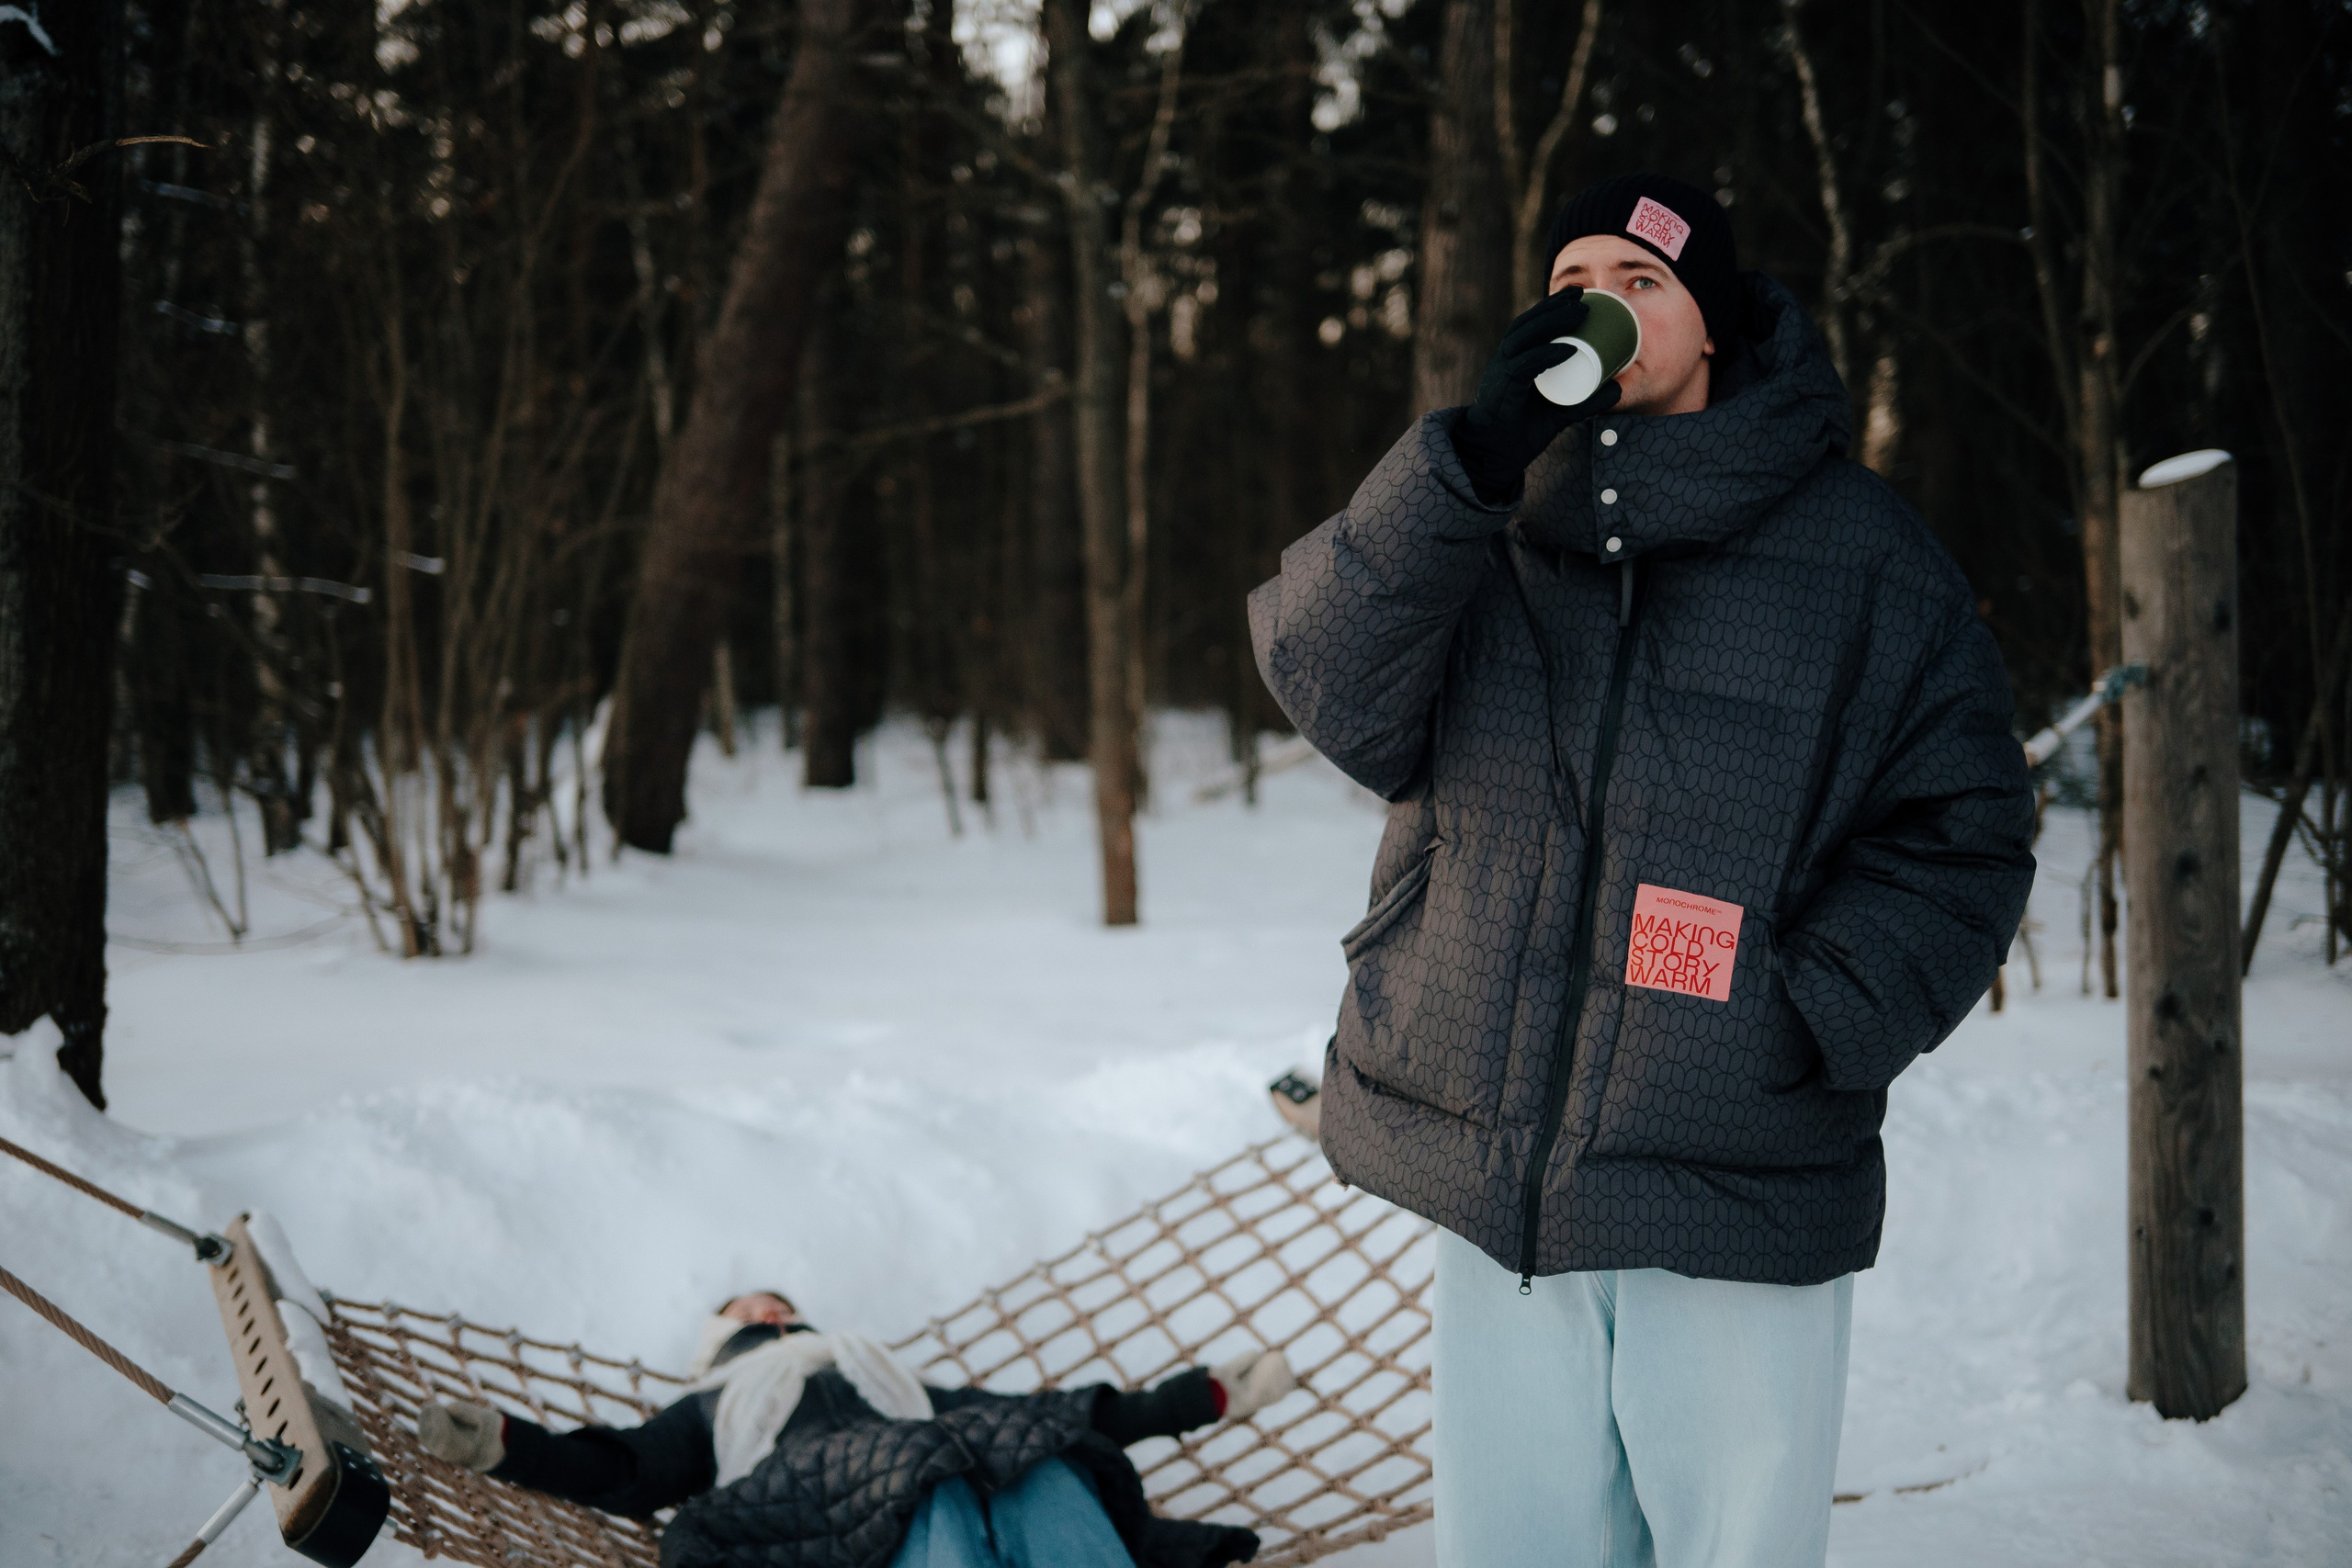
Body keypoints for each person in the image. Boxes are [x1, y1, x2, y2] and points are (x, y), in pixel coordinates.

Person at [1249, 172, 2036, 1567]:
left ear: (1712, 321)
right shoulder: (1488, 517)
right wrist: (1468, 461)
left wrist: (1803, 1015)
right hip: (1494, 1165)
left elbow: (1965, 829)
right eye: (1572, 281)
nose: (1599, 304)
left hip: (1728, 1172)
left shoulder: (1862, 553)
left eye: (1640, 279)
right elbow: (1322, 674)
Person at [417, 1289, 1294, 1568]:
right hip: (807, 1504)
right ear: (722, 1341)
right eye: (747, 1309)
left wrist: (1199, 1397)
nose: (770, 1308)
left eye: (779, 1303)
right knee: (931, 1479)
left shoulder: (883, 1377)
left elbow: (1037, 1415)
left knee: (1045, 1458)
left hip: (918, 1459)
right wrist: (502, 1443)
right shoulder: (716, 1402)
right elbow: (624, 1469)